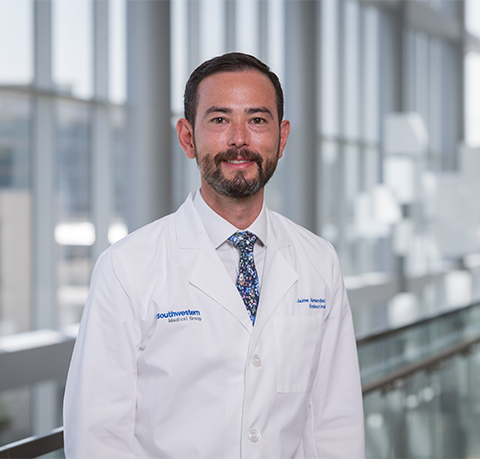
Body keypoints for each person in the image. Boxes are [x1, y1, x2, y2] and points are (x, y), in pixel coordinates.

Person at [63, 52, 365, 458]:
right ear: (188, 137)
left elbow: (334, 421)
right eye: (220, 120)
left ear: (282, 137)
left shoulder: (319, 261)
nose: (239, 138)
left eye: (257, 120)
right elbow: (97, 435)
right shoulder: (127, 267)